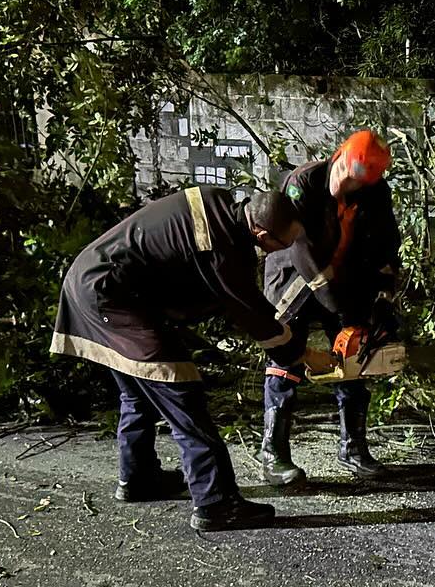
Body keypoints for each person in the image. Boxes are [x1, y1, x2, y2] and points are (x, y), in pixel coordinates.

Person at [51, 186, 305, 532]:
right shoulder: (222, 242)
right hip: (108, 295)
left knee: (137, 390)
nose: (282, 252)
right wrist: (298, 352)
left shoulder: (223, 207)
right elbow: (247, 308)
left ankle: (138, 478)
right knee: (179, 385)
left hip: (101, 285)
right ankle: (216, 502)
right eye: (282, 245)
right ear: (261, 233)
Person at [259, 130, 401, 484]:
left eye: (361, 182)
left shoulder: (376, 191)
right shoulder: (303, 183)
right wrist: (335, 302)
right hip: (295, 278)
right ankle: (272, 454)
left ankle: (353, 448)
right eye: (350, 178)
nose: (352, 186)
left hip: (345, 278)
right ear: (339, 158)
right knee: (285, 357)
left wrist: (383, 297)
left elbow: (387, 243)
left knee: (354, 354)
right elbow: (301, 250)